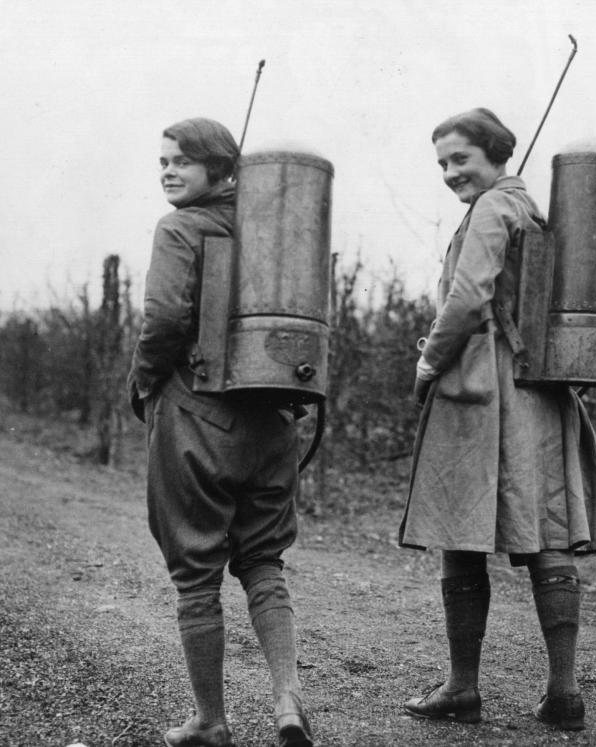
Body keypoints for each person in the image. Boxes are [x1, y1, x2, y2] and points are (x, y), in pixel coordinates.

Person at [398, 108, 596, 731]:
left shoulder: (495, 208)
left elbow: (469, 299)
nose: (449, 172)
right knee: (543, 529)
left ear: (495, 154)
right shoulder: (525, 206)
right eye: (442, 162)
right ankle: (563, 693)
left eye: (460, 158)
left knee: (461, 529)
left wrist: (426, 366)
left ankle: (463, 688)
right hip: (536, 389)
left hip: (483, 388)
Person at [128, 117, 314, 747]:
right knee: (263, 560)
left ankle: (211, 721)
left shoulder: (179, 227)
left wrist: (143, 382)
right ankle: (287, 698)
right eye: (162, 163)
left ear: (222, 168)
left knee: (196, 574)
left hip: (198, 419)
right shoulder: (279, 227)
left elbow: (164, 319)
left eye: (181, 161)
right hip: (274, 422)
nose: (168, 172)